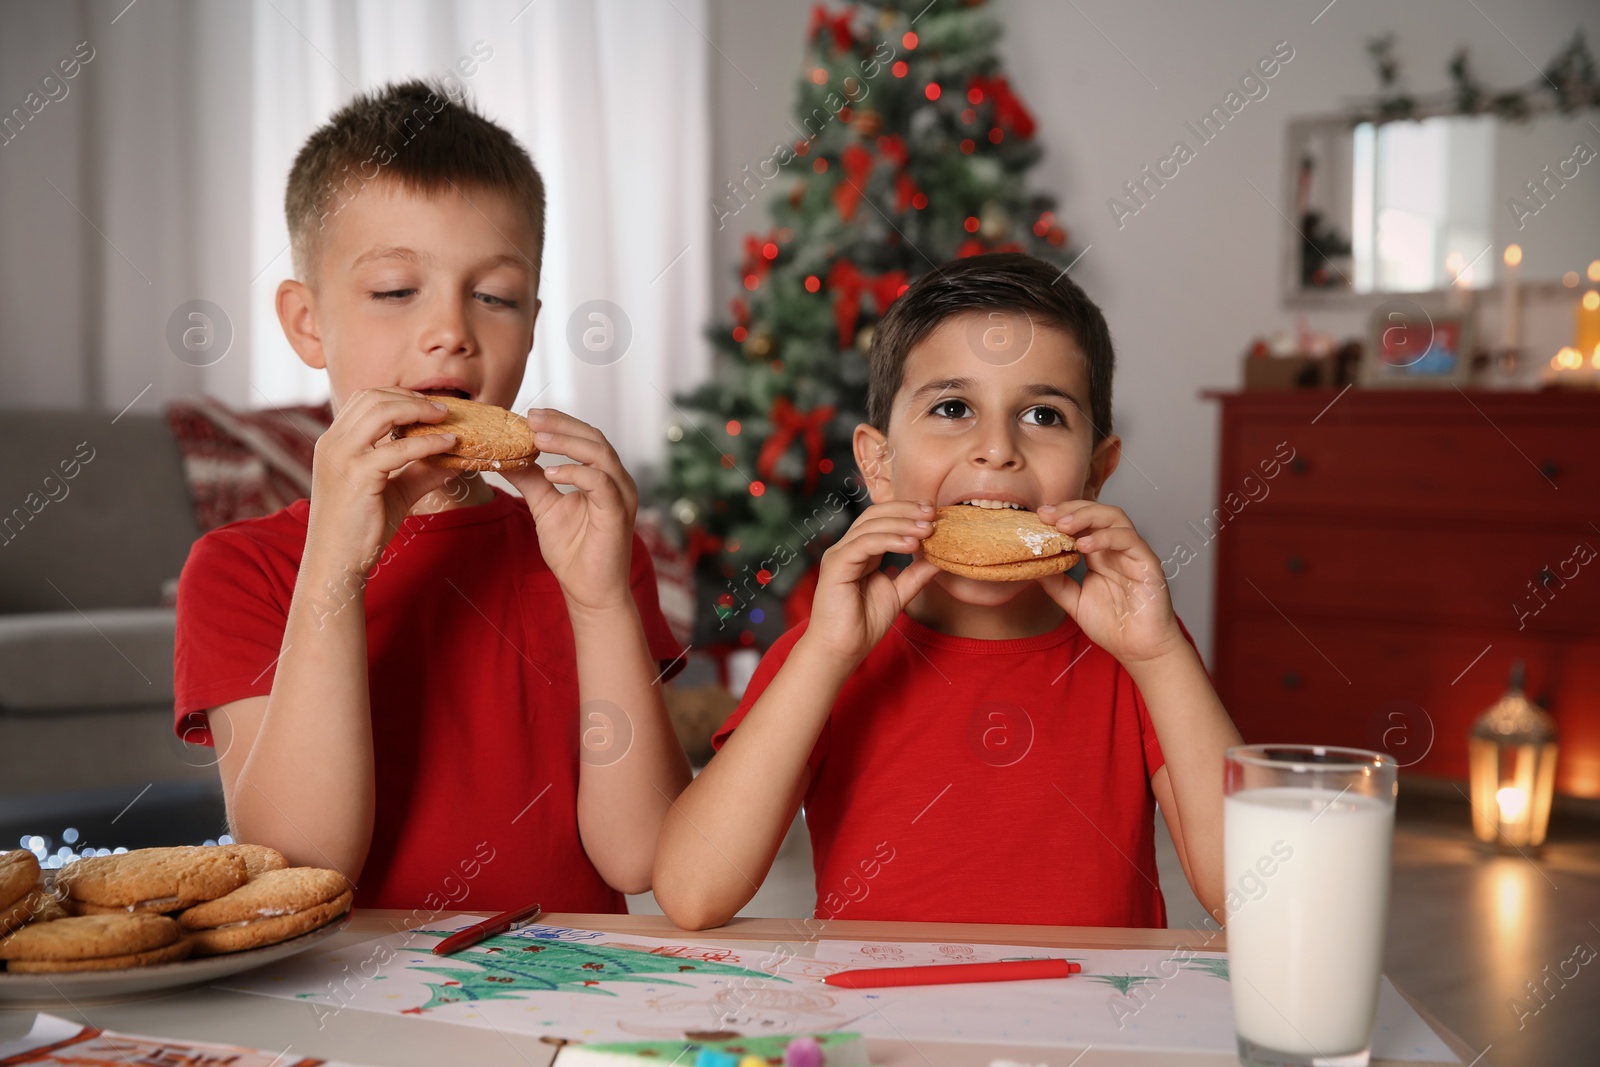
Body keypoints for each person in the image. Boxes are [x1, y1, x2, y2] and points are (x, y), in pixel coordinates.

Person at [173, 80, 691, 913]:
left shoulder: (588, 550)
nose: (452, 329)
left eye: (494, 296)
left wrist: (599, 603)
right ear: (308, 323)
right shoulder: (243, 570)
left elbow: (641, 855)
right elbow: (300, 864)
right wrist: (336, 567)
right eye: (394, 291)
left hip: (574, 998)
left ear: (531, 320)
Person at [653, 252, 1241, 930]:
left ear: (1094, 473)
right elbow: (692, 891)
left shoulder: (1142, 650)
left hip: (1088, 1031)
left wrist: (1162, 656)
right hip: (882, 1028)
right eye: (953, 407)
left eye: (1043, 415)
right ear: (879, 463)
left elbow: (1253, 902)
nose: (997, 449)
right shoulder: (824, 652)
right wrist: (824, 656)